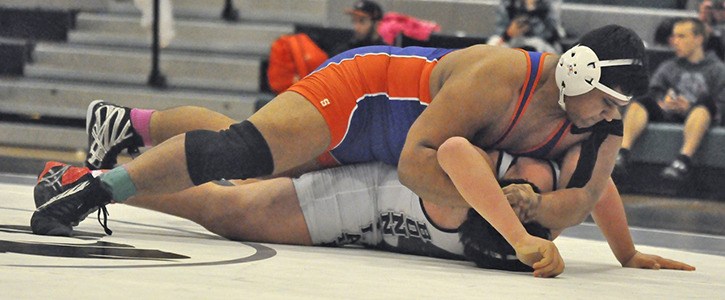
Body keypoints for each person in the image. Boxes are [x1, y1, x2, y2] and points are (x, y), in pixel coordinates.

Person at [31, 24, 649, 274]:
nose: (611, 118)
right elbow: (416, 162)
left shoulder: (598, 123)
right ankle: (96, 187)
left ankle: (130, 125)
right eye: (606, 102)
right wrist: (509, 219)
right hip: (364, 97)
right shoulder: (499, 77)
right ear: (574, 74)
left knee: (246, 158)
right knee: (242, 152)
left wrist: (622, 252)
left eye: (619, 110)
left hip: (400, 136)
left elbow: (586, 196)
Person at [34, 145, 695, 277]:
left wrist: (626, 253)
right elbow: (461, 157)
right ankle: (89, 177)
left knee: (229, 199)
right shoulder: (507, 176)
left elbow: (597, 190)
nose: (521, 192)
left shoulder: (567, 192)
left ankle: (104, 168)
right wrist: (521, 236)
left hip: (380, 219)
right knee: (225, 206)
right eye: (518, 180)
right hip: (369, 202)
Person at [616, 18, 725, 181]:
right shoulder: (669, 66)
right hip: (669, 112)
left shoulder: (717, 69)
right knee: (642, 102)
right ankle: (622, 152)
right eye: (674, 37)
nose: (675, 42)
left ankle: (683, 160)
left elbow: (720, 105)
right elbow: (653, 91)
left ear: (698, 39)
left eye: (681, 36)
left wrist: (690, 107)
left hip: (700, 116)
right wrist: (663, 101)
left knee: (705, 105)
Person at [486, 0, 564, 53]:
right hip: (513, 40)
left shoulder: (549, 4)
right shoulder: (509, 3)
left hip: (541, 43)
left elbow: (555, 32)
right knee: (493, 44)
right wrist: (509, 33)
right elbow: (499, 29)